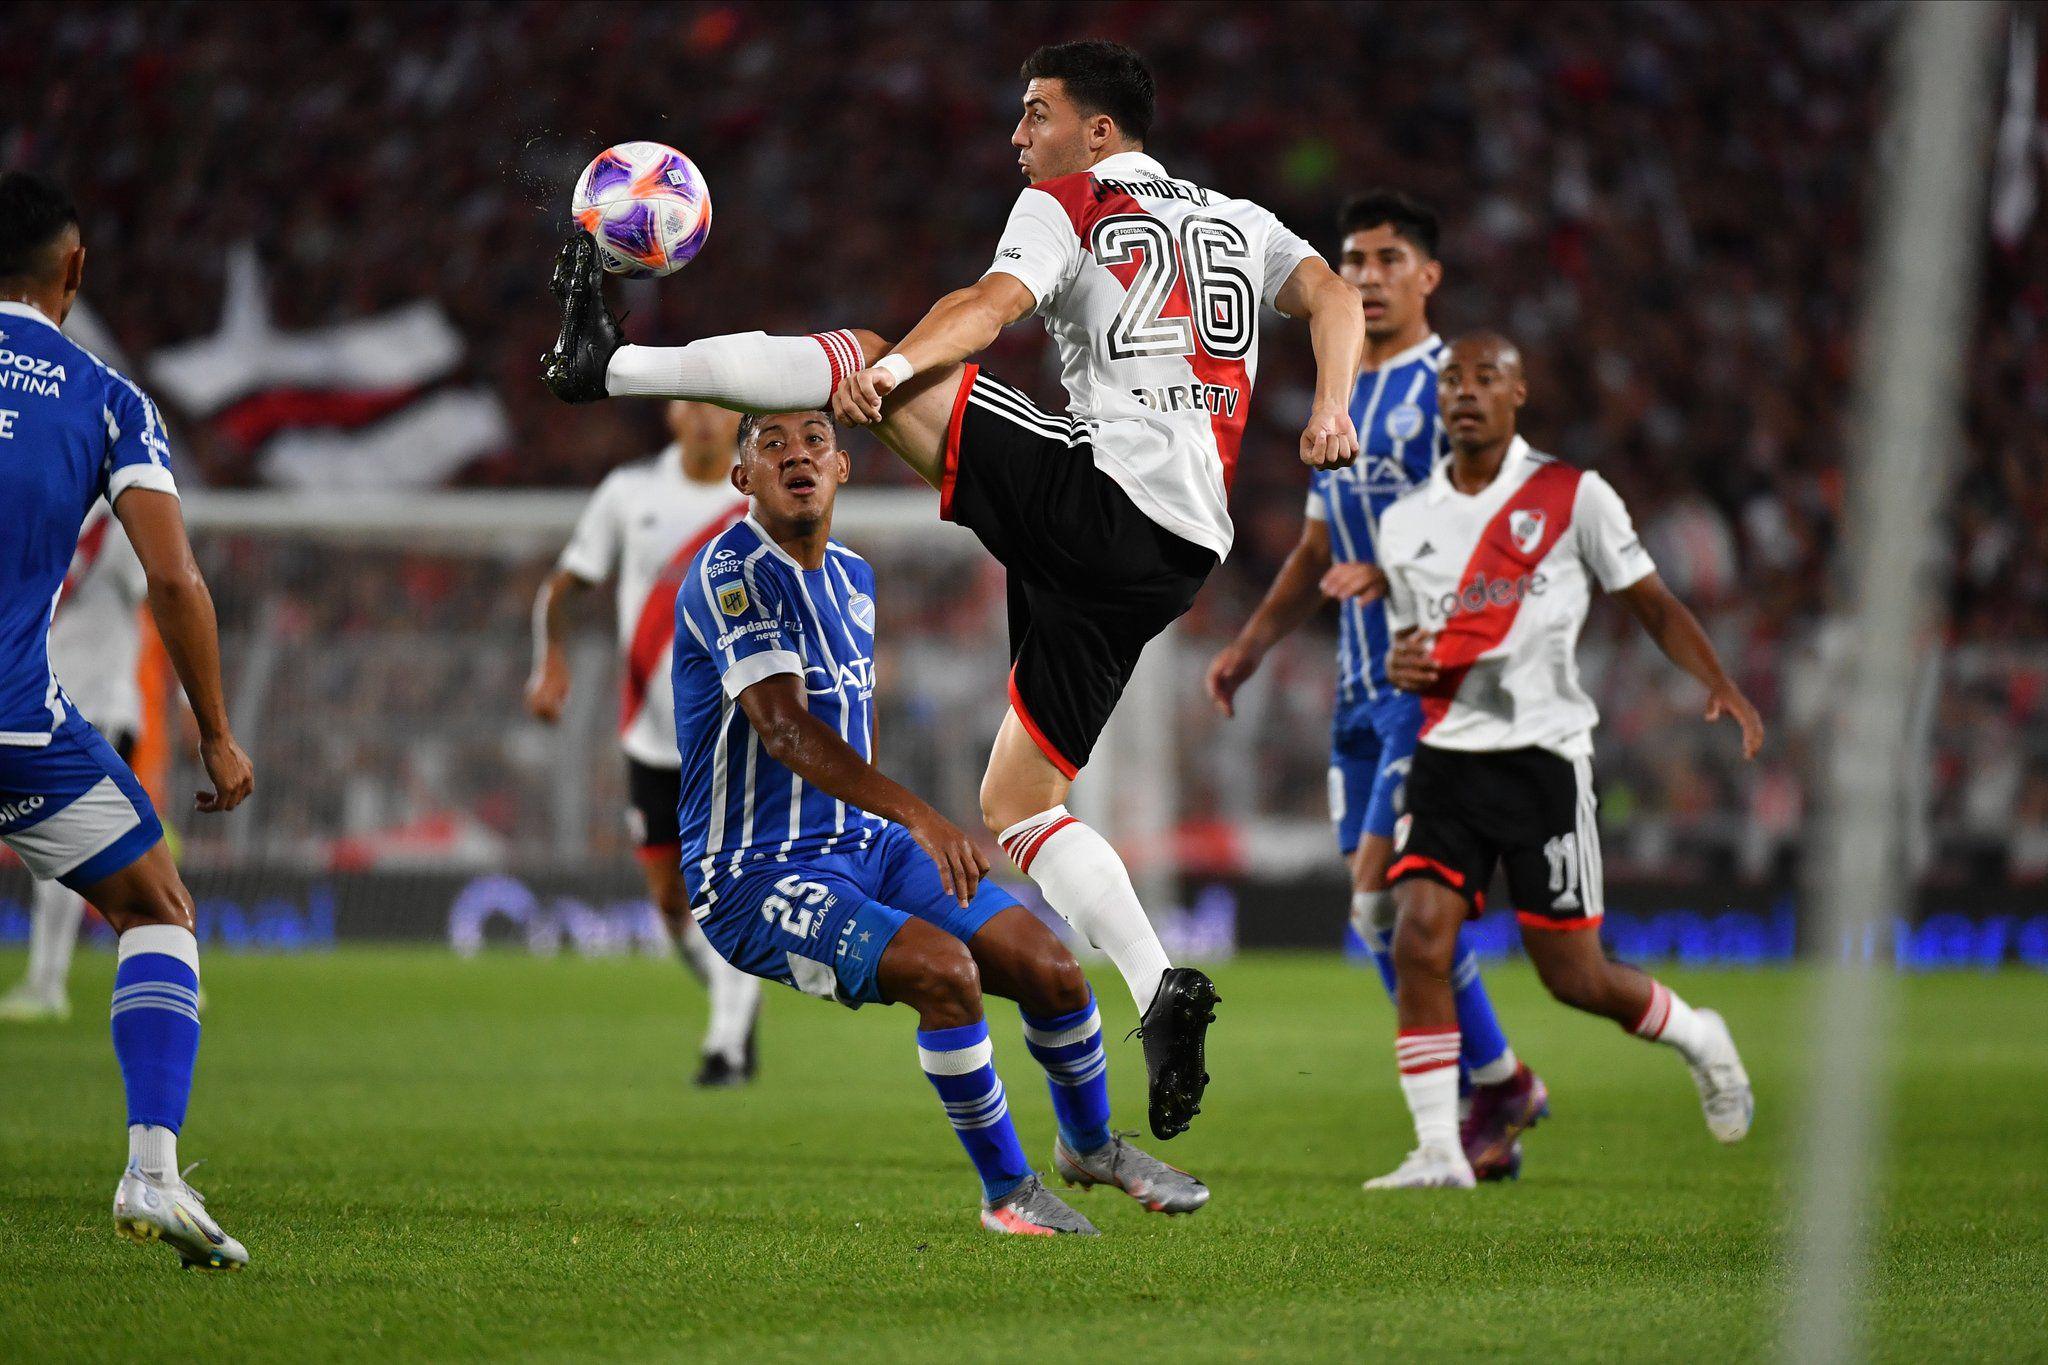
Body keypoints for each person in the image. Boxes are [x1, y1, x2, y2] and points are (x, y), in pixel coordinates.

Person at [543, 40, 1365, 1139]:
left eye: (1036, 115)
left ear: (1099, 132)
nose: (1017, 137)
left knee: (868, 349)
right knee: (1018, 803)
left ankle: (607, 366)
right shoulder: (1239, 219)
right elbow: (1332, 296)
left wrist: (887, 377)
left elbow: (990, 304)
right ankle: (1159, 985)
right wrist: (1330, 408)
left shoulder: (1068, 200)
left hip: (1102, 493)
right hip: (1178, 548)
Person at [668, 408, 1207, 1234]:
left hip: (865, 846)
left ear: (842, 466)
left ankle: (1091, 1145)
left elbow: (851, 722)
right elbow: (782, 730)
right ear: (743, 478)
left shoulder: (852, 575)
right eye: (771, 443)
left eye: (814, 439)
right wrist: (921, 816)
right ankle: (1007, 1193)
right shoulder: (728, 573)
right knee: (946, 973)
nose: (796, 455)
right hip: (754, 874)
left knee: (1052, 967)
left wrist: (896, 830)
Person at [1361, 331, 1759, 1190]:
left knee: (1574, 978)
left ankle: (1701, 1036)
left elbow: (1649, 601)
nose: (1466, 392)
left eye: (1487, 378)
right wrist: (1401, 664)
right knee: (1419, 936)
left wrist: (1719, 680)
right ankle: (1438, 1150)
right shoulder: (1406, 523)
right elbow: (1414, 648)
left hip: (1543, 763)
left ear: (1519, 394)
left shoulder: (1573, 495)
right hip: (1447, 760)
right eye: (1454, 380)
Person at [1206, 192, 1546, 1180]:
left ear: (1426, 276)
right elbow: (1318, 541)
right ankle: (1499, 1080)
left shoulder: (1455, 390)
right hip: (1359, 691)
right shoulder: (1342, 388)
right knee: (1375, 919)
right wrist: (1253, 645)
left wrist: (1396, 576)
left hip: (1435, 682)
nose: (1361, 276)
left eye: (1386, 258)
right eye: (1349, 260)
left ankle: (1451, 1131)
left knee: (1389, 904)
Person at [0, 171, 255, 1265]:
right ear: (74, 271)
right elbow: (177, 579)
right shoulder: (108, 399)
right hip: (14, 722)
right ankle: (151, 1174)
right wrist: (216, 728)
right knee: (156, 906)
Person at [526, 399, 764, 1085]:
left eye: (717, 406)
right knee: (670, 904)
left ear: (736, 418)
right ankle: (733, 1002)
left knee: (729, 893)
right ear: (670, 415)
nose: (704, 419)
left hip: (733, 732)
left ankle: (725, 1044)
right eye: (691, 405)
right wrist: (550, 661)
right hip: (651, 736)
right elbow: (562, 587)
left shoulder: (759, 491)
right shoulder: (630, 492)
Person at [0, 501, 148, 1022]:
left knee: (74, 853)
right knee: (106, 853)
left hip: (97, 705)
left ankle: (47, 985)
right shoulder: (51, 511)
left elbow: (163, 586)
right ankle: (169, 975)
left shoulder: (124, 511)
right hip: (42, 707)